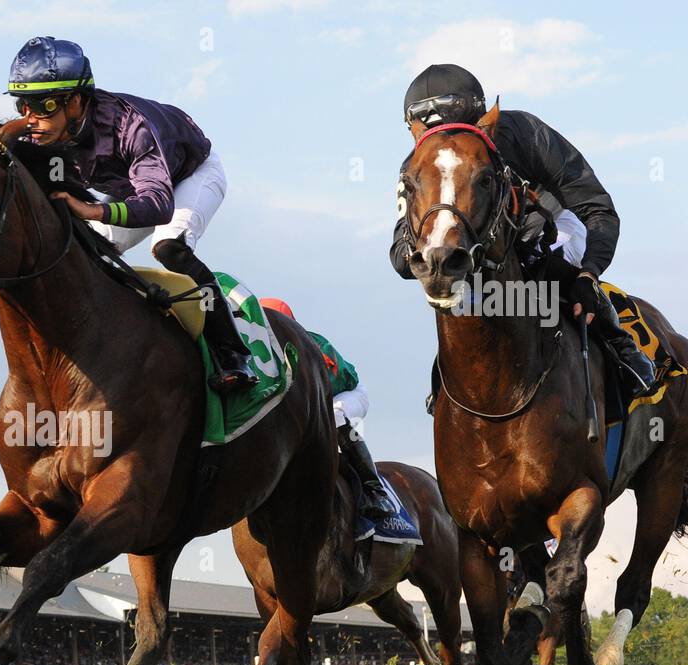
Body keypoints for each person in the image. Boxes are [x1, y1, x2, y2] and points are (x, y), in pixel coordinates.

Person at [5, 36, 257, 394]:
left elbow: (158, 204)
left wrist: (92, 209)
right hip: (128, 187)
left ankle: (232, 354)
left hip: (188, 178)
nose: (32, 120)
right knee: (87, 253)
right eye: (22, 106)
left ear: (75, 101)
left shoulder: (131, 127)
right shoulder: (42, 132)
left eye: (43, 106)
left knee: (170, 247)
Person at [391, 63, 656, 396]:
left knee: (539, 270)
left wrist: (588, 274)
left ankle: (618, 344)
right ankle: (448, 381)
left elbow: (596, 207)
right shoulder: (415, 167)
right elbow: (401, 258)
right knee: (464, 299)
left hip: (547, 230)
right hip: (480, 253)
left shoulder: (522, 132)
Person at [261, 298, 396, 520]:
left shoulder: (309, 344)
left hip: (346, 394)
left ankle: (374, 490)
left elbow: (323, 390)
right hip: (317, 403)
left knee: (335, 415)